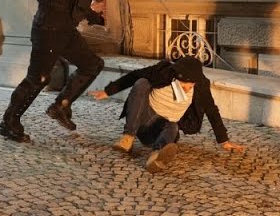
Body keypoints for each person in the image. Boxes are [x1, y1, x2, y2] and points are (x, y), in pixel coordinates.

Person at [0, 0, 109, 143]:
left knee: (92, 65)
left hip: (66, 30)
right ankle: (9, 122)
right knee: (38, 78)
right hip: (48, 29)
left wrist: (92, 15)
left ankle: (61, 105)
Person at [88, 55, 246, 173]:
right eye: (185, 83)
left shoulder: (201, 86)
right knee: (142, 83)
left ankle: (156, 156)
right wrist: (108, 92)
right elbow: (134, 75)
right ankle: (128, 137)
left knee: (173, 127)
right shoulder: (162, 72)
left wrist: (224, 140)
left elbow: (211, 109)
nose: (188, 87)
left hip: (161, 129)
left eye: (192, 84)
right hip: (143, 119)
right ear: (177, 76)